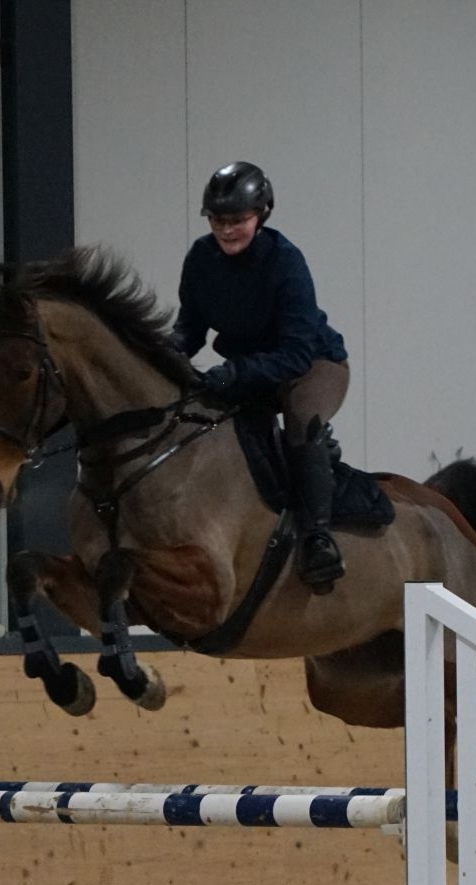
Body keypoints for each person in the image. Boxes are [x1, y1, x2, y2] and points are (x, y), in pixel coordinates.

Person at [174, 161, 350, 591]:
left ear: (262, 213)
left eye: (237, 219)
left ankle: (319, 539)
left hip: (311, 365)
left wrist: (236, 371)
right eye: (217, 219)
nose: (226, 229)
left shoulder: (286, 261)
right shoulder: (201, 258)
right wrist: (161, 359)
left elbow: (296, 353)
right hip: (249, 369)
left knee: (301, 418)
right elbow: (189, 331)